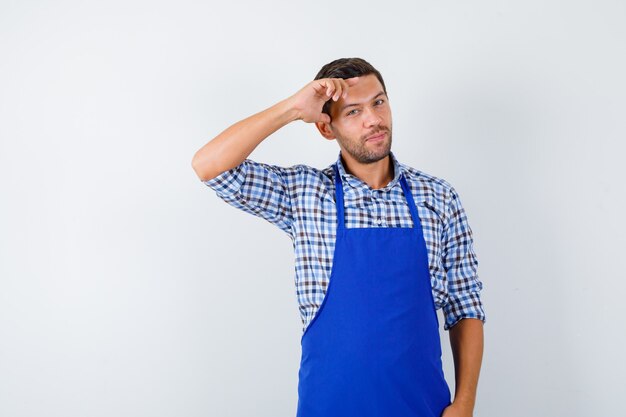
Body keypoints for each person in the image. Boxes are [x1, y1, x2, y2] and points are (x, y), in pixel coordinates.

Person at [192, 57, 486, 417]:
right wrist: (291, 108)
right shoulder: (304, 194)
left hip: (422, 407)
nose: (373, 119)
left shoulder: (437, 196)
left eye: (379, 102)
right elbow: (209, 166)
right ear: (326, 128)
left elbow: (465, 306)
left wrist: (465, 403)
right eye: (353, 112)